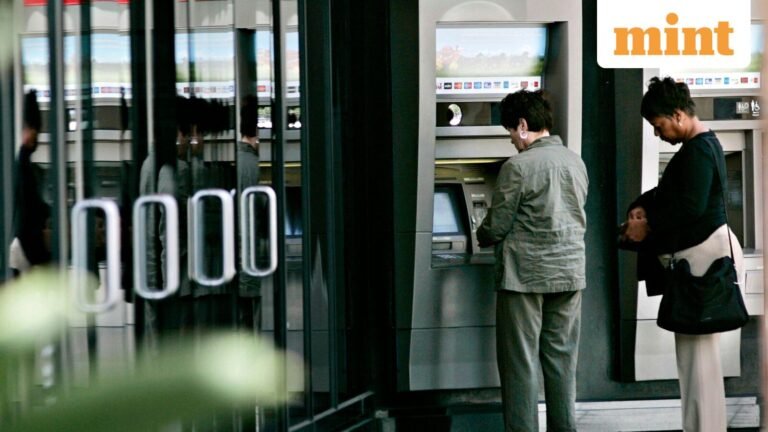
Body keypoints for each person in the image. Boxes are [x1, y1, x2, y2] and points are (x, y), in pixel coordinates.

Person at [621, 76, 743, 432]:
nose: (658, 135)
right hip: (703, 259)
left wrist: (646, 225)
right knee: (698, 362)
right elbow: (674, 195)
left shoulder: (699, 150)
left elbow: (688, 207)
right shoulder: (701, 148)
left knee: (697, 364)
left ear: (677, 115)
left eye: (658, 127)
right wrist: (642, 206)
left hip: (702, 264)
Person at [476, 89, 588, 432]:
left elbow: (496, 225)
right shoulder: (575, 161)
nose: (510, 139)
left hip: (524, 277)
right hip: (569, 274)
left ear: (523, 125)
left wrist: (480, 234)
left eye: (510, 131)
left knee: (520, 364)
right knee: (561, 362)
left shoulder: (518, 167)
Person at [11, 90, 52, 276]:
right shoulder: (22, 164)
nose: (37, 135)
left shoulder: (22, 163)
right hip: (22, 245)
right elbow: (28, 207)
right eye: (35, 129)